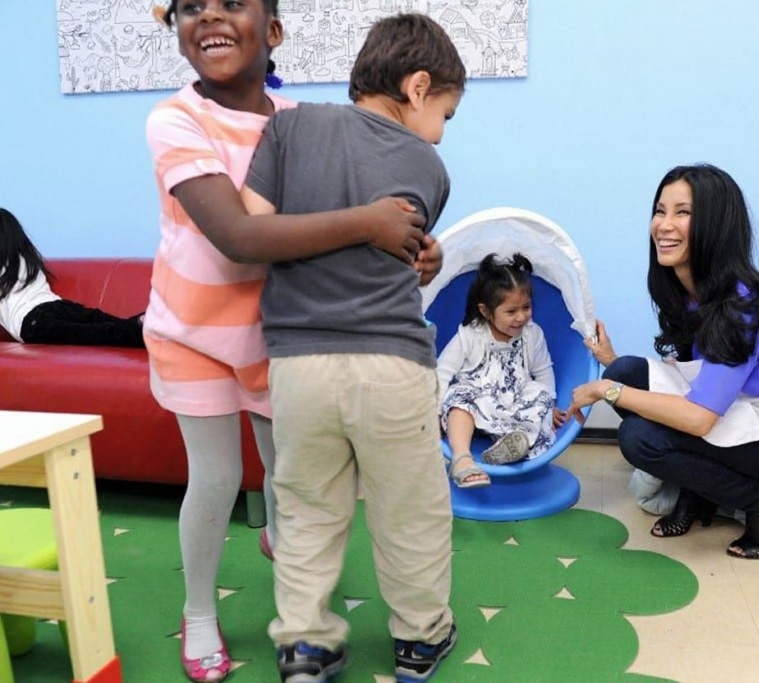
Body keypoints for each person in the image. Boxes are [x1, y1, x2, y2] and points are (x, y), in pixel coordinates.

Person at [147, 2, 436, 681]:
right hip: (193, 334)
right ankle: (198, 611)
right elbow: (240, 237)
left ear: (273, 31)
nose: (209, 15)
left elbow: (368, 206)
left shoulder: (308, 121)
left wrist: (418, 247)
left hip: (287, 334)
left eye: (231, 3)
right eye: (192, 7)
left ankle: (297, 578)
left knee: (296, 481)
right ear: (178, 30)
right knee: (217, 478)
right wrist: (369, 224)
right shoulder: (175, 120)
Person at [240, 13, 464, 683]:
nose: (444, 131)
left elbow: (256, 229)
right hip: (390, 360)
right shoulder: (428, 163)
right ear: (418, 87)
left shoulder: (287, 127)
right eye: (446, 112)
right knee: (410, 507)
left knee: (306, 507)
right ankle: (421, 637)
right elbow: (407, 252)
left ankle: (305, 643)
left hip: (298, 363)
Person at [567, 164, 759, 560]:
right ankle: (701, 488)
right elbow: (695, 378)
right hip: (739, 405)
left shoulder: (742, 306)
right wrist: (611, 366)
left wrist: (607, 389)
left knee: (639, 437)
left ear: (717, 224)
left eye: (682, 212)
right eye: (660, 211)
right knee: (623, 372)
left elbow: (698, 418)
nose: (664, 225)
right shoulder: (686, 288)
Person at [437, 253, 570, 488]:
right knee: (458, 396)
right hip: (478, 400)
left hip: (515, 404)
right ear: (486, 311)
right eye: (511, 312)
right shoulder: (470, 334)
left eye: (526, 307)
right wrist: (434, 412)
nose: (521, 317)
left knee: (538, 393)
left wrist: (550, 406)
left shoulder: (532, 333)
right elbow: (442, 372)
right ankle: (462, 458)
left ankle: (510, 446)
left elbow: (543, 372)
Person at [0, 208, 144, 348]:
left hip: (33, 322)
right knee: (106, 322)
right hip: (58, 305)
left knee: (95, 333)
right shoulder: (28, 259)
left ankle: (143, 332)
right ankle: (144, 322)